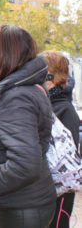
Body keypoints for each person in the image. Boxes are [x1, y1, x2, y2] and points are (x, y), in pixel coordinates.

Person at [0, 24, 57, 228]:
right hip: (23, 203)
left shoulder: (17, 96)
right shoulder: (23, 89)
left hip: (21, 207)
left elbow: (24, 165)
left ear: (5, 55)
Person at [42, 51, 80, 228]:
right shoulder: (51, 104)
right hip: (49, 191)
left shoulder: (62, 109)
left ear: (50, 76)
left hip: (60, 192)